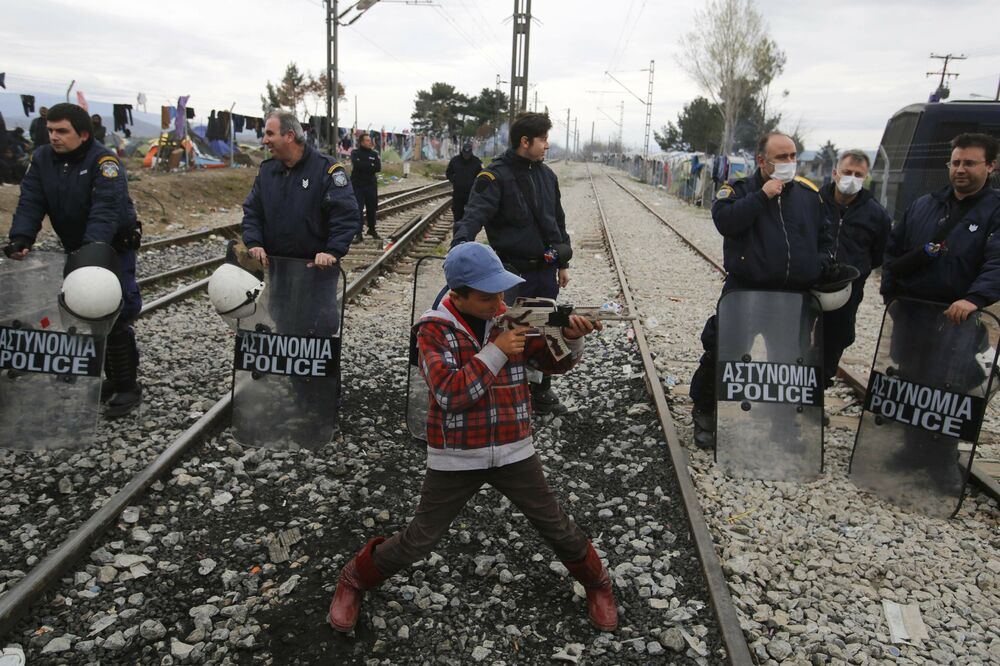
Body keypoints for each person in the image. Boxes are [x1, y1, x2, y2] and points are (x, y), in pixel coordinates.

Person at [326, 242, 617, 634]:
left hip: (515, 450)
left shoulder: (508, 317)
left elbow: (550, 363)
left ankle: (598, 583)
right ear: (457, 294)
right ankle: (354, 579)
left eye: (501, 292)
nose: (499, 301)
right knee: (418, 541)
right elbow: (449, 395)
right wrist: (495, 352)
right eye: (487, 295)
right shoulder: (432, 331)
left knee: (557, 527)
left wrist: (571, 336)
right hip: (456, 457)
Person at [688, 131, 835, 448]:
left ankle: (783, 424)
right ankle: (705, 412)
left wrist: (818, 265)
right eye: (781, 157)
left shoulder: (808, 197)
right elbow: (725, 221)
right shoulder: (740, 189)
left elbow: (825, 239)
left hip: (791, 298)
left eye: (793, 156)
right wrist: (762, 196)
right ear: (762, 161)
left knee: (787, 361)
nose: (789, 163)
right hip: (746, 294)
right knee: (724, 352)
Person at [5, 103, 143, 417]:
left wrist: (92, 252)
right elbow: (31, 200)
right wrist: (22, 237)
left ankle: (127, 386)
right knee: (88, 314)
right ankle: (111, 377)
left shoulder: (104, 161)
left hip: (111, 249)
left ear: (82, 134)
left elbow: (106, 209)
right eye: (50, 130)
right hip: (77, 248)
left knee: (114, 313)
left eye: (62, 131)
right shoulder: (42, 160)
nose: (54, 137)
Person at [451, 112, 573, 414]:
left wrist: (563, 262)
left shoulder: (548, 176)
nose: (547, 145)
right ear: (525, 141)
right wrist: (459, 247)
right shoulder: (494, 177)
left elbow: (557, 221)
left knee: (545, 327)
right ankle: (508, 391)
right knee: (509, 330)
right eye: (543, 139)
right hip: (510, 272)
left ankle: (541, 389)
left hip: (545, 271)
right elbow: (474, 215)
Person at [819, 149, 891, 386]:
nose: (852, 178)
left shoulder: (876, 214)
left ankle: (816, 393)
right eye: (847, 172)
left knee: (836, 340)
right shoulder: (814, 202)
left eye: (858, 174)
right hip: (809, 284)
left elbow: (879, 253)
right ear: (835, 173)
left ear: (866, 176)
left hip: (848, 291)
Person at [350, 133, 381, 242]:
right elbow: (357, 165)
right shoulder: (355, 153)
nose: (370, 142)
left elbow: (378, 168)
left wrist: (366, 165)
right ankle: (358, 233)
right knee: (358, 209)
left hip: (371, 186)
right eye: (367, 140)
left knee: (372, 208)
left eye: (370, 140)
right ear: (362, 142)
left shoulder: (374, 154)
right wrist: (370, 165)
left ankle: (372, 229)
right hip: (358, 185)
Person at [446, 140, 482, 226]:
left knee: (470, 217)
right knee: (457, 217)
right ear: (462, 152)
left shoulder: (476, 162)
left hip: (471, 194)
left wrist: (477, 185)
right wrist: (454, 180)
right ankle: (457, 235)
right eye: (465, 154)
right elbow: (448, 173)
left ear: (471, 152)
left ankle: (467, 236)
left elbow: (481, 175)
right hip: (458, 193)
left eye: (468, 154)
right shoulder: (455, 160)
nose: (466, 156)